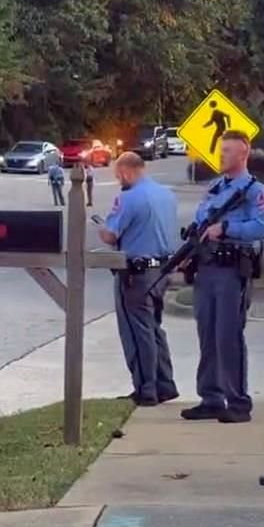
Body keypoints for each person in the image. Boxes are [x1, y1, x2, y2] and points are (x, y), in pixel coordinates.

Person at [182, 130, 264, 424]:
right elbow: (200, 221)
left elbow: (262, 228)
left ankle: (238, 401)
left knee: (227, 337)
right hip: (206, 268)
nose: (221, 156)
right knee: (206, 334)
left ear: (243, 154)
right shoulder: (214, 187)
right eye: (221, 151)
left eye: (228, 151)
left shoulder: (254, 191)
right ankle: (211, 397)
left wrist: (228, 229)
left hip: (232, 271)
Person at [98, 152, 179, 407]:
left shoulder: (128, 197)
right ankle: (165, 384)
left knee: (137, 332)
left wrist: (101, 227)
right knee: (154, 328)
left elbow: (111, 235)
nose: (118, 180)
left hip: (136, 274)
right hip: (162, 270)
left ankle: (146, 388)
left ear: (125, 172)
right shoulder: (166, 195)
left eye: (117, 175)